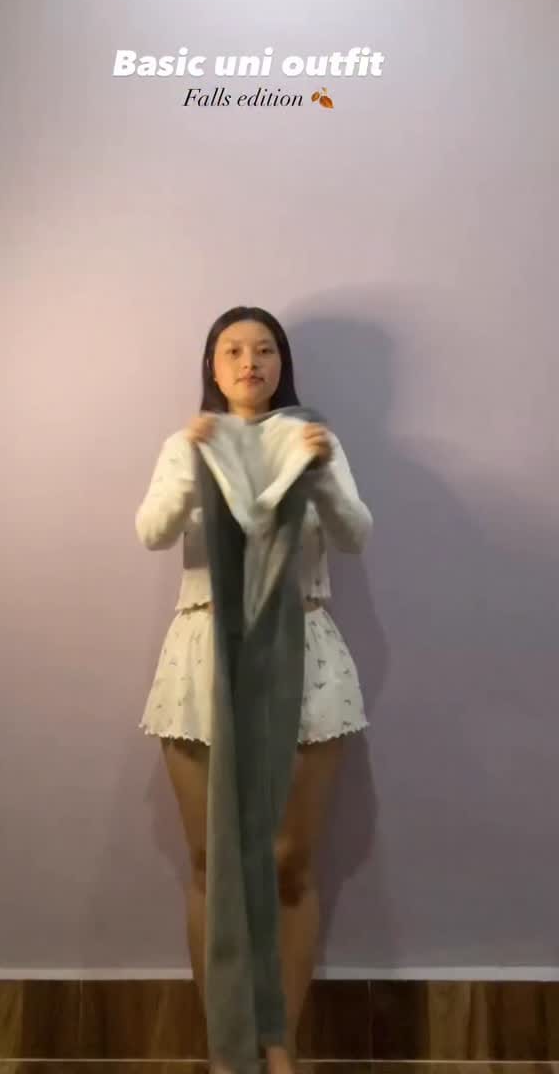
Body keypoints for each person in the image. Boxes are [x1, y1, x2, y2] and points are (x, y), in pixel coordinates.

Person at [135, 305, 373, 1074]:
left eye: (264, 350)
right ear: (213, 365)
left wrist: (317, 470)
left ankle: (280, 1051)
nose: (249, 363)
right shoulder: (187, 443)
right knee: (211, 865)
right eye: (233, 350)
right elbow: (153, 530)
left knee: (287, 864)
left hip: (302, 652)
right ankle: (226, 1052)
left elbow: (354, 533)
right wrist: (199, 462)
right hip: (204, 655)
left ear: (281, 364)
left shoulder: (314, 440)